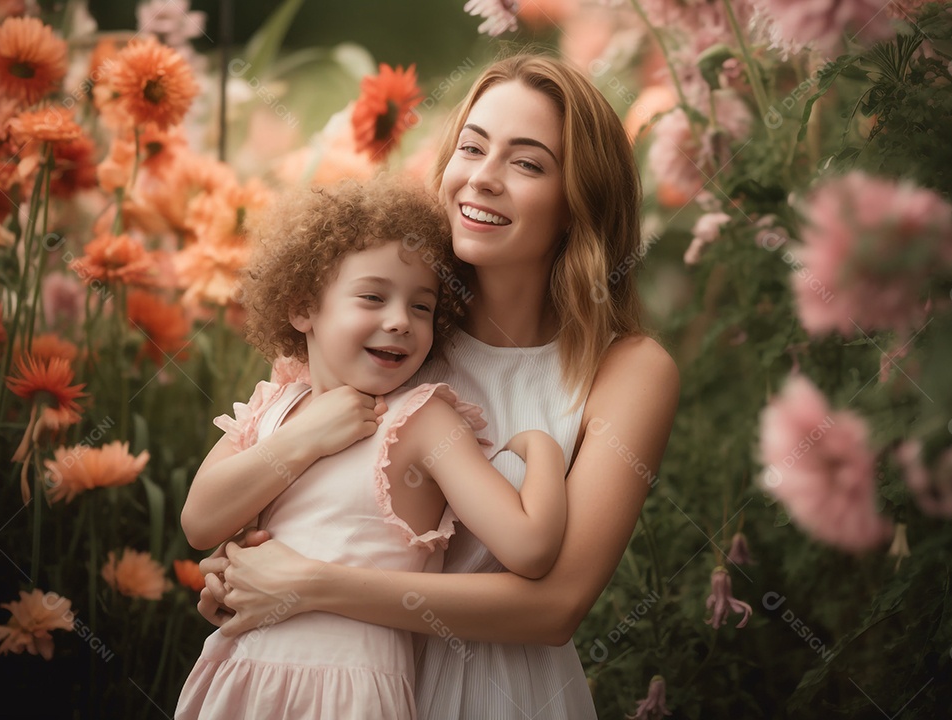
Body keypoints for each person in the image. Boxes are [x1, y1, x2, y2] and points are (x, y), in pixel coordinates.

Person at [196, 54, 680, 719]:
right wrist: (239, 572)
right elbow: (280, 488)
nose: (483, 178)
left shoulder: (627, 369)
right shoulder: (393, 333)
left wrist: (310, 584)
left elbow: (554, 608)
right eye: (472, 148)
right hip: (345, 688)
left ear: (578, 204)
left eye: (527, 163)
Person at [175, 176, 570, 720]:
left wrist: (544, 448)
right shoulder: (274, 409)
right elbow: (200, 521)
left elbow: (529, 549)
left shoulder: (423, 421)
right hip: (240, 675)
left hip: (349, 693)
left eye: (422, 307)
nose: (399, 321)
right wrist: (306, 436)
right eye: (372, 296)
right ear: (302, 308)